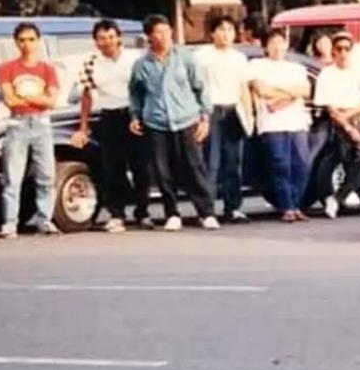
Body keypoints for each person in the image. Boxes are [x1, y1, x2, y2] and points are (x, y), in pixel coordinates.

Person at [128, 14, 219, 231]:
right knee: (162, 170)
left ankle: (206, 212)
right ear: (149, 36)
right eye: (157, 32)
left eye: (166, 31)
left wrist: (205, 117)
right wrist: (135, 116)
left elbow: (201, 88)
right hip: (156, 123)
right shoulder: (142, 65)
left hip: (187, 119)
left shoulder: (185, 57)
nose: (164, 36)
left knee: (194, 167)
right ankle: (172, 212)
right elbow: (135, 94)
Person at [70, 19, 149, 233]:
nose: (107, 42)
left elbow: (146, 89)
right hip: (109, 117)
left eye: (111, 37)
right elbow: (86, 96)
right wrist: (83, 126)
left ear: (119, 37)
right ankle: (117, 214)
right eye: (102, 38)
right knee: (113, 168)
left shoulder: (135, 59)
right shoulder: (91, 62)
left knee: (141, 166)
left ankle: (143, 212)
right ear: (95, 41)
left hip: (134, 116)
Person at [0, 22, 61, 237]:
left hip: (42, 123)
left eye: (31, 39)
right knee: (12, 176)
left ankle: (45, 219)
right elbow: (9, 99)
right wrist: (35, 99)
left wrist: (26, 96)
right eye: (22, 40)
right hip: (18, 123)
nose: (27, 44)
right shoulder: (7, 69)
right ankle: (10, 222)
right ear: (16, 42)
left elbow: (51, 100)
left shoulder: (47, 69)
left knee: (46, 175)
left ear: (38, 41)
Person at [315, 32, 360, 219]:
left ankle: (336, 199)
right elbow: (329, 107)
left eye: (347, 48)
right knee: (348, 161)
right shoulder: (327, 74)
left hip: (359, 117)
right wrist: (347, 126)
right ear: (334, 52)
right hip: (339, 122)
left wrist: (351, 118)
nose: (343, 53)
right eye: (339, 49)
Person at [247, 29, 313, 222]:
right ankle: (286, 206)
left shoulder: (296, 67)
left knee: (302, 164)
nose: (277, 47)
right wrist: (291, 93)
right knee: (280, 165)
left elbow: (305, 90)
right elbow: (262, 90)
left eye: (280, 42)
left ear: (286, 44)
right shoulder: (257, 65)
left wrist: (281, 98)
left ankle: (297, 203)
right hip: (271, 123)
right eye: (272, 42)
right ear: (266, 46)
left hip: (296, 121)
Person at [195, 14, 254, 224]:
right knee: (211, 164)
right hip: (211, 111)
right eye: (221, 29)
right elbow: (196, 87)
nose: (226, 34)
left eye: (230, 29)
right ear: (212, 33)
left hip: (233, 111)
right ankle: (207, 210)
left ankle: (233, 207)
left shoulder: (239, 58)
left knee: (233, 163)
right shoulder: (202, 56)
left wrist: (249, 115)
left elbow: (243, 88)